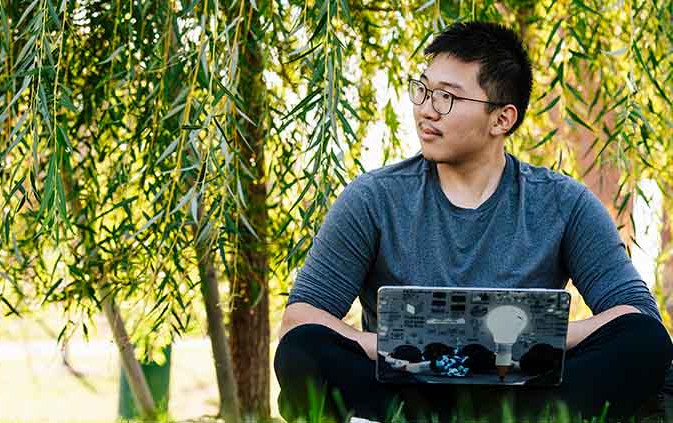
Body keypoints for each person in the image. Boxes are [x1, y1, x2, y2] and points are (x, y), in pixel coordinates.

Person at [274, 21, 673, 422]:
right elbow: (301, 317)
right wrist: (393, 345)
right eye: (424, 90)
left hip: (525, 393)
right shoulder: (373, 198)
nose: (426, 109)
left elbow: (636, 316)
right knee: (301, 351)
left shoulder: (563, 203)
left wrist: (526, 344)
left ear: (501, 119)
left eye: (447, 97)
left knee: (645, 343)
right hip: (405, 388)